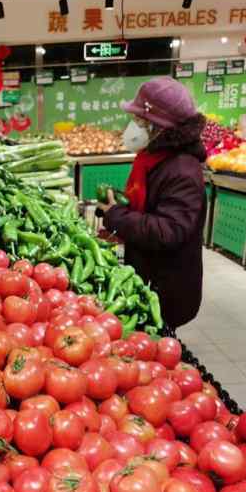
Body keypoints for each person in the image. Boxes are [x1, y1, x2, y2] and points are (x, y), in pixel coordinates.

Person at [97, 77, 206, 329]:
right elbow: (150, 209)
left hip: (167, 288)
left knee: (160, 340)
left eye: (139, 121)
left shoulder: (182, 170)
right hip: (150, 274)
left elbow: (167, 231)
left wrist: (116, 215)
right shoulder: (155, 159)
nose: (132, 127)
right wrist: (121, 222)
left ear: (158, 126)